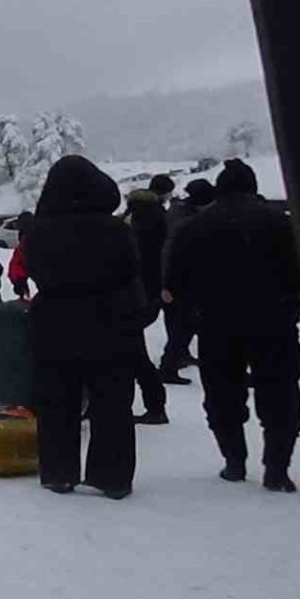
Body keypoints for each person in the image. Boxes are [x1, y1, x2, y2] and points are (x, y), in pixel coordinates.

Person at [167, 160, 300, 492]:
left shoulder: (193, 227)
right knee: (280, 394)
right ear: (253, 187)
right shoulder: (281, 223)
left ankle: (234, 461)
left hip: (216, 325)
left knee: (223, 395)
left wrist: (194, 314)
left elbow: (175, 282)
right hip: (274, 322)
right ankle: (277, 468)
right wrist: (293, 307)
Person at [24, 155, 144, 499]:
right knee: (112, 402)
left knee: (57, 402)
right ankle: (112, 476)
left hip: (54, 323)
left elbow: (35, 271)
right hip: (109, 321)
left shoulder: (38, 232)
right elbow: (129, 271)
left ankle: (58, 472)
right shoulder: (115, 230)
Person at [158, 178, 217, 381]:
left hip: (183, 281)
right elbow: (170, 253)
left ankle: (172, 364)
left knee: (184, 327)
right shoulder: (184, 221)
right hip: (184, 282)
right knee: (185, 327)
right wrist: (166, 284)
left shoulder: (180, 214)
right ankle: (168, 367)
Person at [124, 180, 172, 424]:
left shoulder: (129, 222)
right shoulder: (160, 218)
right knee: (135, 352)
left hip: (128, 293)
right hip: (146, 292)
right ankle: (155, 405)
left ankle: (152, 406)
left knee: (132, 354)